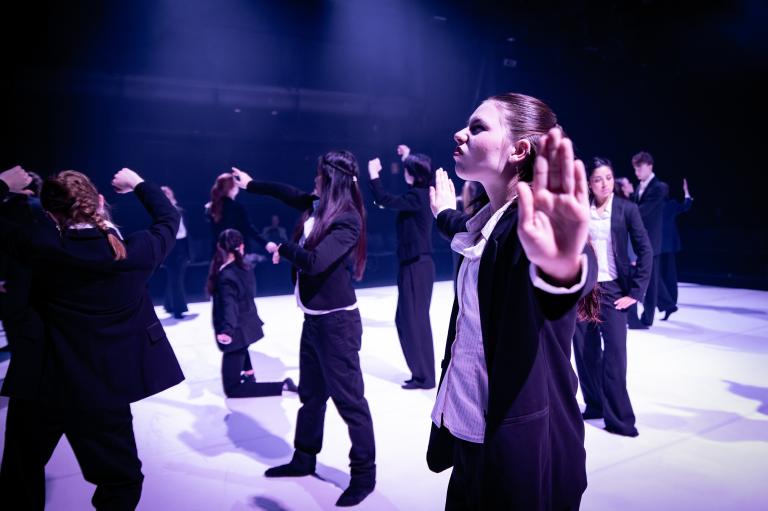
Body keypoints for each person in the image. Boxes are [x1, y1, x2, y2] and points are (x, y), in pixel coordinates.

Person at [426, 92, 597, 510]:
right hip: (470, 437)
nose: (460, 134)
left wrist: (564, 265)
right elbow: (467, 232)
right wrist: (443, 215)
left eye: (478, 127)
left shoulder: (529, 226)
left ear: (519, 149)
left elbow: (565, 279)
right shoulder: (487, 224)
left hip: (519, 452)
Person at [0, 167, 185, 510]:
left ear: (49, 213)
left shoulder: (38, 248)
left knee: (19, 473)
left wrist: (4, 186)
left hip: (42, 385)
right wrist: (140, 183)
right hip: (103, 391)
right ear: (99, 202)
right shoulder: (138, 251)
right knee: (121, 481)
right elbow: (168, 218)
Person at [231, 151, 376, 507]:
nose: (312, 181)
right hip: (314, 320)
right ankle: (304, 457)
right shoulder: (317, 204)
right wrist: (251, 184)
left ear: (330, 178)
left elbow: (314, 263)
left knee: (350, 403)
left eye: (317, 175)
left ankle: (364, 476)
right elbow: (286, 192)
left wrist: (282, 247)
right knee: (311, 396)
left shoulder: (347, 219)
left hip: (338, 324)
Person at [572, 158, 652, 438]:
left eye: (608, 177)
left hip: (615, 290)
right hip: (584, 289)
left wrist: (636, 293)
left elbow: (645, 251)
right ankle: (594, 404)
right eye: (598, 179)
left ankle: (619, 419)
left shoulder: (626, 209)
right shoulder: (582, 209)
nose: (604, 183)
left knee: (615, 355)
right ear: (590, 184)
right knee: (584, 352)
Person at [367, 144, 436, 390]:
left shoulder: (418, 197)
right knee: (406, 320)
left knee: (414, 321)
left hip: (417, 266)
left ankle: (425, 376)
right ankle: (420, 373)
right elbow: (417, 176)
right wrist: (408, 157)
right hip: (414, 265)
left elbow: (385, 199)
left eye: (407, 170)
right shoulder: (421, 192)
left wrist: (374, 174)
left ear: (413, 175)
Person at [207, 228, 297, 397]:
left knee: (232, 389)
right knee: (242, 352)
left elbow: (229, 305)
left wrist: (227, 330)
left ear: (219, 247)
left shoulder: (226, 275)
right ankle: (249, 374)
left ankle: (282, 386)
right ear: (241, 246)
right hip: (246, 326)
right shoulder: (244, 268)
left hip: (236, 332)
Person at [628, 151, 668, 328]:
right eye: (635, 168)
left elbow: (643, 212)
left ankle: (648, 318)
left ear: (649, 166)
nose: (637, 171)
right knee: (642, 280)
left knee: (651, 283)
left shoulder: (659, 187)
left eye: (640, 167)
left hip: (651, 242)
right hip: (640, 241)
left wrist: (626, 206)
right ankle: (638, 316)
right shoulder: (640, 186)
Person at [205, 172, 266, 257]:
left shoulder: (210, 207)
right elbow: (248, 228)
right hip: (235, 254)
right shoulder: (236, 207)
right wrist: (265, 243)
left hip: (217, 254)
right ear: (232, 188)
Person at [657, 179, 693, 320]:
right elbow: (686, 205)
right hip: (669, 246)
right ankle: (669, 305)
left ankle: (668, 305)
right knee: (669, 277)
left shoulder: (654, 206)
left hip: (659, 246)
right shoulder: (671, 204)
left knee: (659, 278)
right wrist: (686, 192)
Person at [161, 185, 190, 319]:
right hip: (172, 248)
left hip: (179, 247)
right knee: (175, 279)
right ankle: (178, 309)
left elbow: (185, 231)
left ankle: (169, 305)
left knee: (175, 279)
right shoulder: (164, 212)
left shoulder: (178, 210)